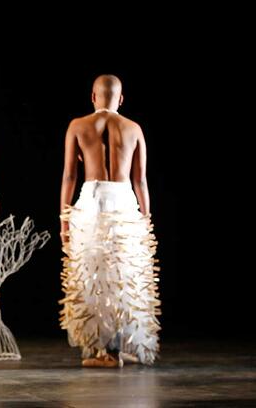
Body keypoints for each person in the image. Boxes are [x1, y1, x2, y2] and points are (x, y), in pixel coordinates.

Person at [59, 74, 160, 368]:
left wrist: (64, 221)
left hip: (92, 198)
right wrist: (145, 220)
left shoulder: (78, 126)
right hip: (124, 199)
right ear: (122, 99)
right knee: (124, 273)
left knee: (92, 272)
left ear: (93, 97)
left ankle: (103, 350)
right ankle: (123, 344)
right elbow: (140, 181)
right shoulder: (134, 128)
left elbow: (69, 176)